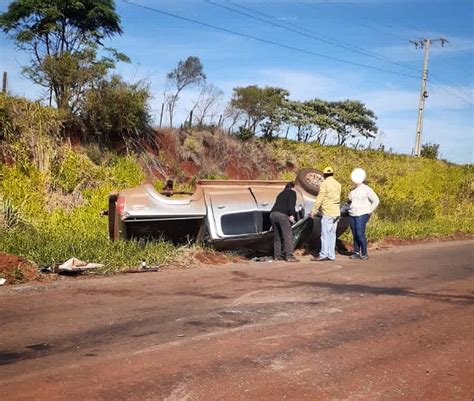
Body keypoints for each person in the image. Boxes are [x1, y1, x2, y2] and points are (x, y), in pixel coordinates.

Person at [309, 166, 341, 261]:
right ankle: (331, 255)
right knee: (332, 234)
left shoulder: (324, 184)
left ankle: (323, 254)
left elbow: (320, 198)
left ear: (324, 175)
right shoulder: (338, 184)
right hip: (336, 212)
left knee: (325, 234)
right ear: (332, 174)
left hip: (328, 212)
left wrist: (313, 211)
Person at [348, 168, 380, 260]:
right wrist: (349, 198)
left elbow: (376, 200)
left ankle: (364, 252)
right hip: (352, 214)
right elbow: (350, 201)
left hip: (362, 214)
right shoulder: (353, 190)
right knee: (355, 234)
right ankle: (356, 252)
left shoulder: (367, 189)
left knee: (359, 233)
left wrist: (369, 211)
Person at [270, 182, 299, 262]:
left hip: (273, 214)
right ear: (292, 187)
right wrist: (292, 214)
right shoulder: (292, 192)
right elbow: (291, 204)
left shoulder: (280, 194)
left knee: (277, 236)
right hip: (282, 215)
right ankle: (289, 256)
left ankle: (277, 256)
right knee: (288, 235)